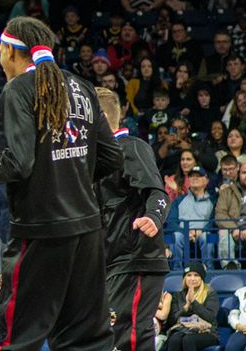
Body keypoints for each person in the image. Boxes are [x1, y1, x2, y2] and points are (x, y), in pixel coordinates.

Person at [0, 16, 122, 350]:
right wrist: (69, 176)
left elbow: (18, 163)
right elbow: (111, 158)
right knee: (88, 339)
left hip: (42, 231)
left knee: (19, 335)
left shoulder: (18, 89)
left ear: (9, 50)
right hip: (88, 230)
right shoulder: (81, 85)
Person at [96, 87, 170, 351]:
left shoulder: (130, 147)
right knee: (111, 334)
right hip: (111, 262)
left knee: (131, 334)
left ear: (101, 118)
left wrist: (153, 216)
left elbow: (157, 192)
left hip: (136, 258)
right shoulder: (95, 160)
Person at [156, 262, 220, 351]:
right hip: (182, 330)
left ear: (201, 278)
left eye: (196, 275)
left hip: (207, 332)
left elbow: (210, 318)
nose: (192, 279)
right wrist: (185, 307)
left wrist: (193, 302)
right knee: (174, 339)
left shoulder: (210, 294)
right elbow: (171, 321)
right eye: (189, 275)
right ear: (184, 278)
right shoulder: (177, 296)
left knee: (188, 339)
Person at [169, 167, 217, 267]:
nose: (194, 178)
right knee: (176, 237)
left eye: (198, 176)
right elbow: (171, 221)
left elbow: (214, 221)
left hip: (204, 232)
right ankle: (177, 269)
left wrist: (202, 230)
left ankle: (209, 268)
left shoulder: (213, 200)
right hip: (183, 232)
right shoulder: (179, 200)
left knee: (207, 237)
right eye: (191, 176)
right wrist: (185, 232)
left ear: (206, 180)